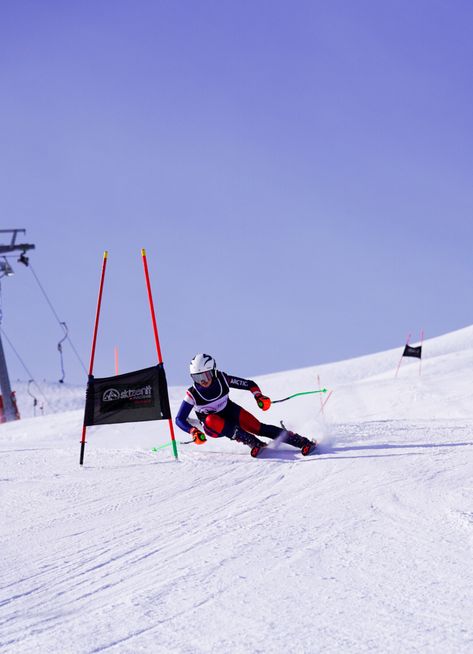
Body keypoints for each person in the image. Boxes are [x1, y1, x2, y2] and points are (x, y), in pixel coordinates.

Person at [175, 353, 316, 457]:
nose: (202, 381)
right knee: (212, 420)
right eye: (197, 377)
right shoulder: (192, 394)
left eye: (204, 376)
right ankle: (252, 442)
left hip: (229, 411)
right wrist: (193, 432)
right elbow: (179, 419)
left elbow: (249, 384)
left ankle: (301, 441)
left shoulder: (223, 379)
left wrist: (259, 396)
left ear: (213, 372)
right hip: (213, 427)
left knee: (258, 427)